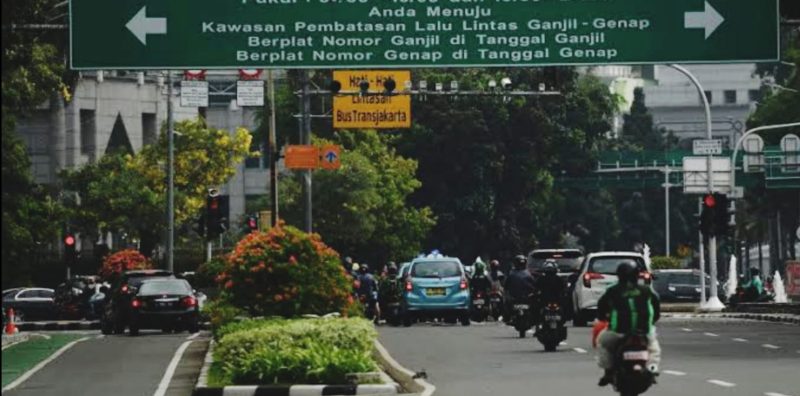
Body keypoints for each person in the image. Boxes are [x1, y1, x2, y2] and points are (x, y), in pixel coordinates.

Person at [595, 261, 662, 387]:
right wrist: (651, 322)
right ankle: (652, 368)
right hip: (644, 332)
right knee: (653, 348)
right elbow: (656, 308)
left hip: (618, 331)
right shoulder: (646, 290)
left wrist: (603, 318)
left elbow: (601, 308)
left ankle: (608, 371)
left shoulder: (612, 291)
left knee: (602, 343)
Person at [503, 255, 537, 322]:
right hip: (518, 299)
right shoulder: (528, 274)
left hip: (524, 299)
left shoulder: (512, 274)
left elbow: (506, 287)